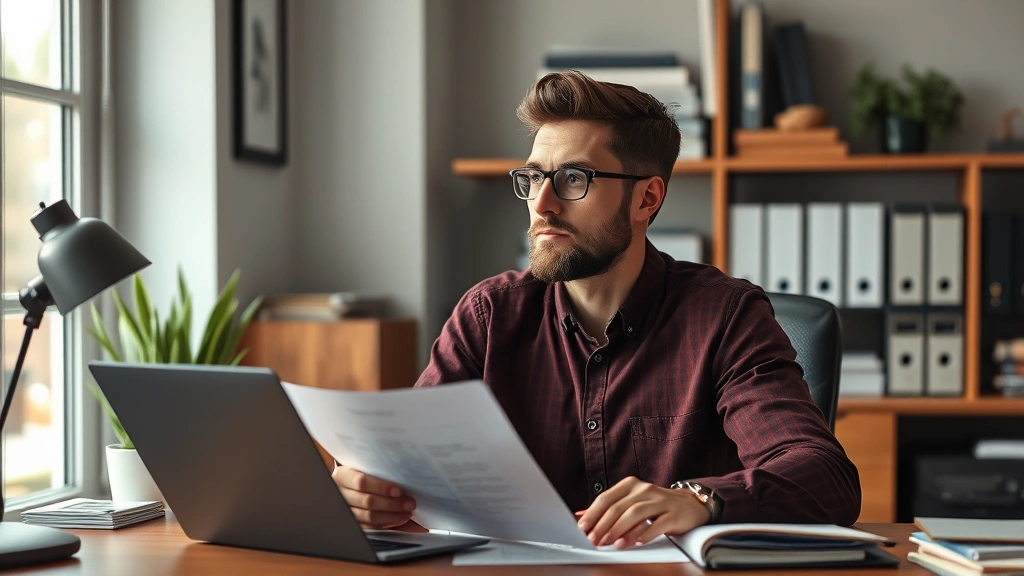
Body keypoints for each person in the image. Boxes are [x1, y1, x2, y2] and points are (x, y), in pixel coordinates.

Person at [333, 70, 861, 549]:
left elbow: (823, 476)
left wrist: (697, 499)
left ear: (647, 199)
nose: (542, 203)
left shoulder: (724, 317)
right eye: (535, 177)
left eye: (574, 179)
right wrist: (368, 490)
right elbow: (408, 465)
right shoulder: (489, 316)